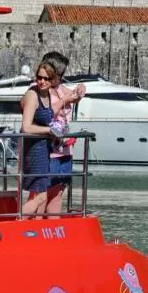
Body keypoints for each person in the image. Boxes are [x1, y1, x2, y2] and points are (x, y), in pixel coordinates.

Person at [41, 51, 86, 217]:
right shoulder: (41, 90)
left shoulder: (60, 89)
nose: (60, 78)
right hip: (49, 150)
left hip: (64, 150)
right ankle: (34, 229)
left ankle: (53, 227)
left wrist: (81, 89)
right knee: (43, 193)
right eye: (59, 74)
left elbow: (76, 95)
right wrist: (66, 101)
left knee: (58, 191)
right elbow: (44, 115)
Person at [19, 63, 59, 218]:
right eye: (39, 77)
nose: (42, 81)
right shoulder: (32, 95)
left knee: (38, 196)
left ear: (53, 80)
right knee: (41, 196)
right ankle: (17, 222)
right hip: (34, 150)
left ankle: (29, 229)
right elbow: (26, 127)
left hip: (44, 148)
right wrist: (49, 130)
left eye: (46, 78)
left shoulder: (47, 94)